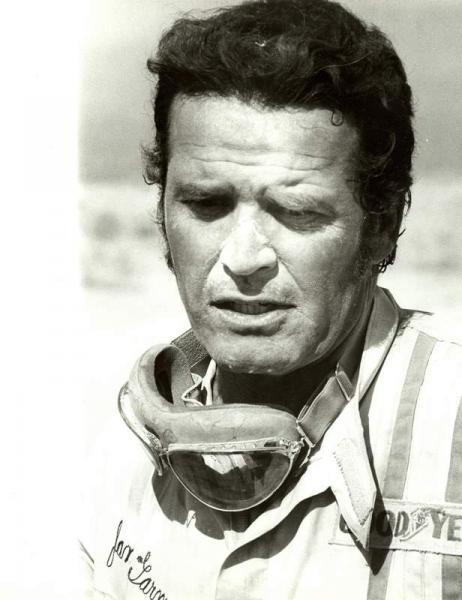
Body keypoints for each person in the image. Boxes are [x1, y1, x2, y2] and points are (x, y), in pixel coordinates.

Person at [80, 0, 462, 598]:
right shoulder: (126, 449)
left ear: (382, 226)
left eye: (297, 211)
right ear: (162, 214)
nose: (243, 257)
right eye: (206, 204)